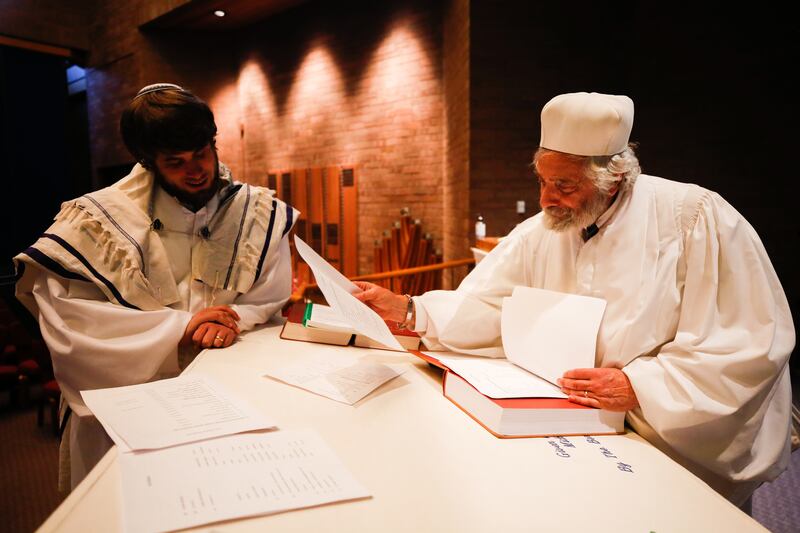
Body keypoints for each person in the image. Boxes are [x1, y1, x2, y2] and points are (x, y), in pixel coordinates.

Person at [354, 92, 794, 509]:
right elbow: (492, 305)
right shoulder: (545, 228)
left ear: (615, 177)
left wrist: (640, 386)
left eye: (563, 185)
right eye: (543, 180)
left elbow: (745, 342)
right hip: (570, 424)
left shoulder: (694, 219)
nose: (546, 199)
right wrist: (411, 309)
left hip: (661, 437)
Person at [14, 83, 297, 490]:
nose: (196, 170)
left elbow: (267, 295)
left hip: (226, 388)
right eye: (175, 162)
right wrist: (179, 327)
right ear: (148, 162)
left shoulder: (256, 211)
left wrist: (233, 318)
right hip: (130, 405)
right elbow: (69, 321)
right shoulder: (95, 219)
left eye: (202, 153)